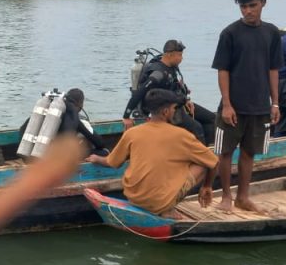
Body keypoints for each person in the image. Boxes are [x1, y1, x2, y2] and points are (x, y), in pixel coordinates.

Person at [211, 0, 282, 213]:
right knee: (225, 152)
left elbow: (274, 69)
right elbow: (223, 70)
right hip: (234, 105)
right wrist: (227, 104)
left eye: (252, 5)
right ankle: (226, 196)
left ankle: (243, 196)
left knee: (250, 152)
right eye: (243, 6)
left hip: (260, 105)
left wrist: (275, 103)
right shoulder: (230, 33)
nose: (248, 11)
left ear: (264, 3)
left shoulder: (271, 32)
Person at [90, 89, 218, 215]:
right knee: (202, 164)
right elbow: (214, 162)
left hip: (133, 198)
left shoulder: (131, 133)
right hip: (159, 202)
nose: (175, 112)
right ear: (166, 112)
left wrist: (97, 158)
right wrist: (207, 186)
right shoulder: (181, 135)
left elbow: (112, 162)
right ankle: (168, 209)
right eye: (174, 109)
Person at [122, 39, 215, 143]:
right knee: (197, 128)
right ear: (170, 55)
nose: (182, 58)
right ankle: (200, 156)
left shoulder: (171, 67)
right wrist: (126, 116)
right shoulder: (158, 74)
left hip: (180, 104)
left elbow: (175, 87)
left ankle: (203, 150)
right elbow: (139, 93)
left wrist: (186, 100)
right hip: (167, 111)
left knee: (212, 119)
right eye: (179, 55)